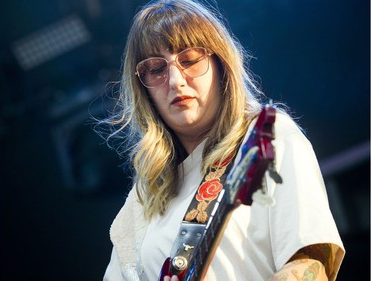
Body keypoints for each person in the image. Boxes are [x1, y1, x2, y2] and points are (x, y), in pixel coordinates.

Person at [100, 0, 345, 280]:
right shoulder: (143, 200)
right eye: (156, 69)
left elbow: (309, 262)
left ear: (220, 65)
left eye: (190, 60)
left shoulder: (265, 136)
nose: (175, 80)